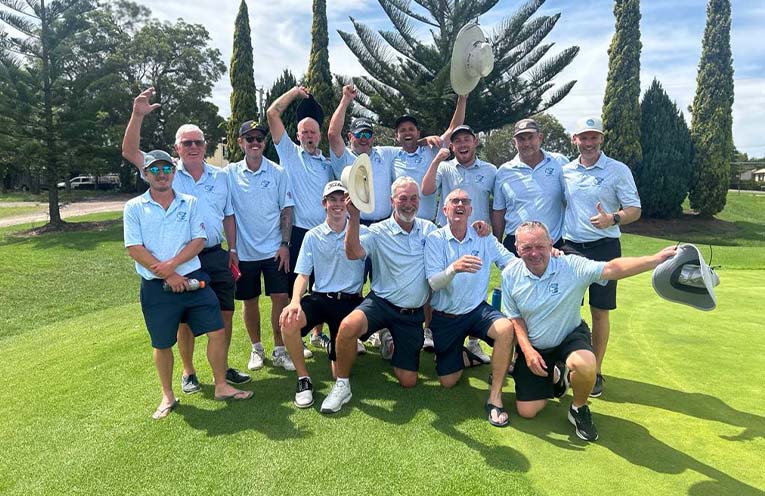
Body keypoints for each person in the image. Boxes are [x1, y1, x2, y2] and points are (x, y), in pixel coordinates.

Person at [122, 88, 250, 396]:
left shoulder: (220, 176)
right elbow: (129, 151)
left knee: (224, 314)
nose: (193, 147)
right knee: (184, 321)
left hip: (215, 254)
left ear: (205, 146)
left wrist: (232, 249)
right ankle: (189, 371)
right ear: (177, 148)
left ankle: (222, 369)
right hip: (182, 259)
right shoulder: (166, 171)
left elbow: (228, 216)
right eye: (187, 143)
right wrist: (137, 115)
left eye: (198, 142)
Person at [501, 221, 675, 441]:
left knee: (585, 365)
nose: (534, 253)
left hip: (569, 336)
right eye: (527, 247)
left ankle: (578, 407)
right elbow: (515, 318)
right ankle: (558, 377)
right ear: (517, 248)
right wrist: (527, 351)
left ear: (551, 244)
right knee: (528, 411)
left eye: (540, 246)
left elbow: (612, 268)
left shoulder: (571, 266)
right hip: (536, 345)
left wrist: (655, 259)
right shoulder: (510, 274)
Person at [320, 177, 437, 413]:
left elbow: (453, 241)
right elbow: (353, 252)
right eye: (403, 198)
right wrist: (354, 217)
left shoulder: (429, 230)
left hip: (411, 314)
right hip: (381, 303)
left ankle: (389, 342)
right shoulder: (378, 231)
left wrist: (479, 230)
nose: (409, 204)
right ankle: (342, 385)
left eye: (413, 198)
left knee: (408, 380)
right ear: (392, 201)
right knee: (347, 327)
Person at [561, 116, 642, 397]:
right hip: (571, 248)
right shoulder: (565, 171)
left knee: (599, 311)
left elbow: (634, 209)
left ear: (601, 139)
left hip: (605, 248)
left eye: (594, 137)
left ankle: (594, 370)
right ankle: (566, 362)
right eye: (583, 137)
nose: (589, 142)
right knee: (566, 307)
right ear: (575, 140)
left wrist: (613, 218)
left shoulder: (618, 170)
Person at [424, 189, 515, 427]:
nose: (460, 204)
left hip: (476, 311)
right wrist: (453, 268)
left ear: (471, 210)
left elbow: (511, 264)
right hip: (445, 316)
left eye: (465, 201)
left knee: (506, 329)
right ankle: (467, 355)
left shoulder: (483, 236)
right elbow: (433, 282)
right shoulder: (435, 239)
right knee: (448, 381)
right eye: (454, 201)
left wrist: (546, 256)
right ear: (445, 210)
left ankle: (495, 398)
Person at [279, 181, 366, 408]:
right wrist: (294, 302)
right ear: (324, 203)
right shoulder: (312, 236)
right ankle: (303, 379)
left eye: (342, 199)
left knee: (339, 373)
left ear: (349, 203)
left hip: (349, 302)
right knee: (288, 322)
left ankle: (335, 346)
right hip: (319, 299)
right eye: (332, 199)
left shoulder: (362, 232)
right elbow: (302, 275)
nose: (338, 204)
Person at [422, 124, 497, 364]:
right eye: (457, 141)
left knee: (476, 285)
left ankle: (473, 343)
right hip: (446, 235)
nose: (463, 144)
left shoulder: (490, 170)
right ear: (452, 146)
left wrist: (492, 231)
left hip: (478, 236)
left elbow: (498, 205)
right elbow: (427, 189)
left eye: (467, 139)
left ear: (475, 142)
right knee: (437, 284)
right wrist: (437, 159)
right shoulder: (445, 167)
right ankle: (430, 331)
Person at [226, 120, 297, 372]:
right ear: (240, 142)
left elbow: (286, 209)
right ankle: (256, 348)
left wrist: (285, 244)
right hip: (244, 253)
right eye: (250, 139)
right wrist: (232, 249)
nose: (255, 143)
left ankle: (280, 349)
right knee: (249, 301)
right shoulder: (229, 173)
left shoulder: (278, 172)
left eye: (259, 139)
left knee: (281, 297)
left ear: (264, 143)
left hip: (274, 250)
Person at [491, 118, 569, 256]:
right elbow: (499, 211)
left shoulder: (559, 162)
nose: (526, 143)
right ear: (514, 142)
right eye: (521, 139)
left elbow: (570, 200)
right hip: (515, 245)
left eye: (530, 137)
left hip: (553, 244)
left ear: (540, 138)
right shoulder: (504, 171)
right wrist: (496, 244)